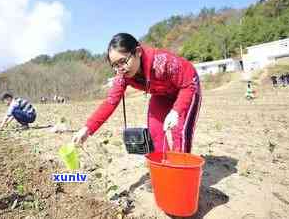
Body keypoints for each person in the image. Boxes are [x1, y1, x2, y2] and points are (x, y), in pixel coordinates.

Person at [72, 33, 201, 153]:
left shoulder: (162, 62)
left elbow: (189, 84)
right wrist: (87, 129)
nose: (120, 69)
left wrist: (176, 111)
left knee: (180, 131)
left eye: (123, 61)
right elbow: (110, 102)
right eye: (115, 65)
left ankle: (180, 168)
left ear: (138, 52)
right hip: (162, 94)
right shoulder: (122, 76)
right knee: (155, 129)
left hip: (187, 87)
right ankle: (164, 165)